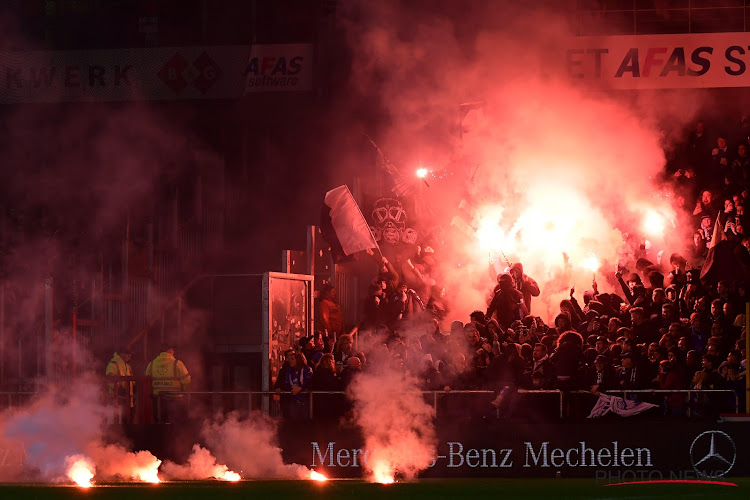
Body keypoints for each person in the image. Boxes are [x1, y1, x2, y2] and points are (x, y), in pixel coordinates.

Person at [145, 343, 191, 423]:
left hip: (158, 400)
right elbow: (187, 380)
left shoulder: (151, 364)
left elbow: (146, 382)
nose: (174, 351)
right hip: (175, 399)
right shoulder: (177, 363)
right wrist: (184, 392)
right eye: (173, 349)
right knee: (176, 425)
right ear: (169, 350)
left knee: (160, 424)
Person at [106, 347, 134, 423]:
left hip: (127, 400)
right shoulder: (113, 365)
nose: (130, 356)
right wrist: (120, 390)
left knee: (127, 422)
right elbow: (110, 381)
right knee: (119, 423)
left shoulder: (127, 366)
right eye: (128, 354)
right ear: (121, 354)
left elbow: (131, 381)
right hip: (117, 400)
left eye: (130, 354)